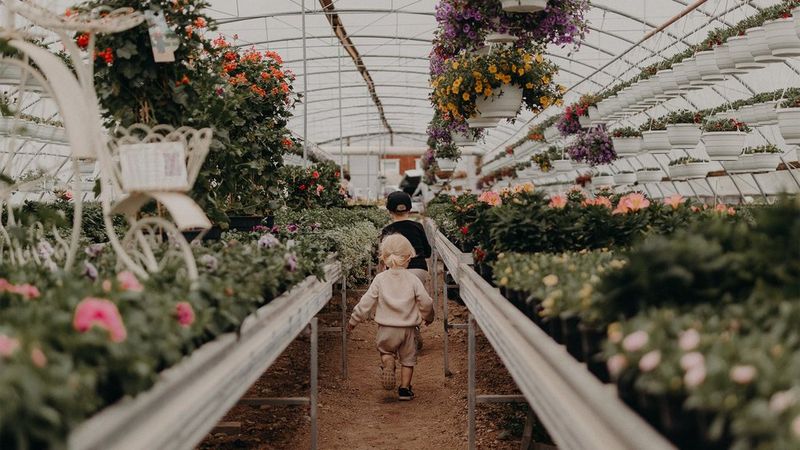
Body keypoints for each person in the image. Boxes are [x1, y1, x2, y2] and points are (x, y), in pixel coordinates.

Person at [347, 234, 434, 401]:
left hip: (386, 329)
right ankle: (404, 389)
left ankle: (388, 362)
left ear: (384, 258)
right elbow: (426, 302)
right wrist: (427, 316)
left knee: (386, 351)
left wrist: (354, 320)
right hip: (408, 330)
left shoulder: (380, 279)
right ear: (409, 257)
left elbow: (366, 302)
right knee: (408, 360)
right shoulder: (413, 279)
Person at [380, 191, 433, 349]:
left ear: (389, 211)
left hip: (396, 271)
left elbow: (384, 256)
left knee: (399, 301)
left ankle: (399, 335)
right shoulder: (418, 226)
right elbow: (428, 252)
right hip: (419, 269)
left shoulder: (387, 230)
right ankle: (415, 328)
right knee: (416, 299)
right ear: (409, 209)